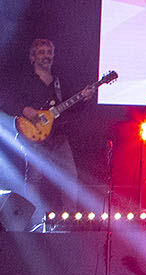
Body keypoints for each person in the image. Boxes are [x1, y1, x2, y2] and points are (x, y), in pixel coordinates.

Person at [11, 37, 88, 225]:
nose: (46, 56)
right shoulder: (25, 80)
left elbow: (69, 108)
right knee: (34, 178)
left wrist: (84, 98)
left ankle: (69, 220)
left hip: (57, 137)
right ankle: (34, 221)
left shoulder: (59, 82)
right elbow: (6, 101)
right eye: (42, 53)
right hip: (33, 137)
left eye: (49, 52)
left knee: (70, 177)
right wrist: (25, 110)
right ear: (33, 57)